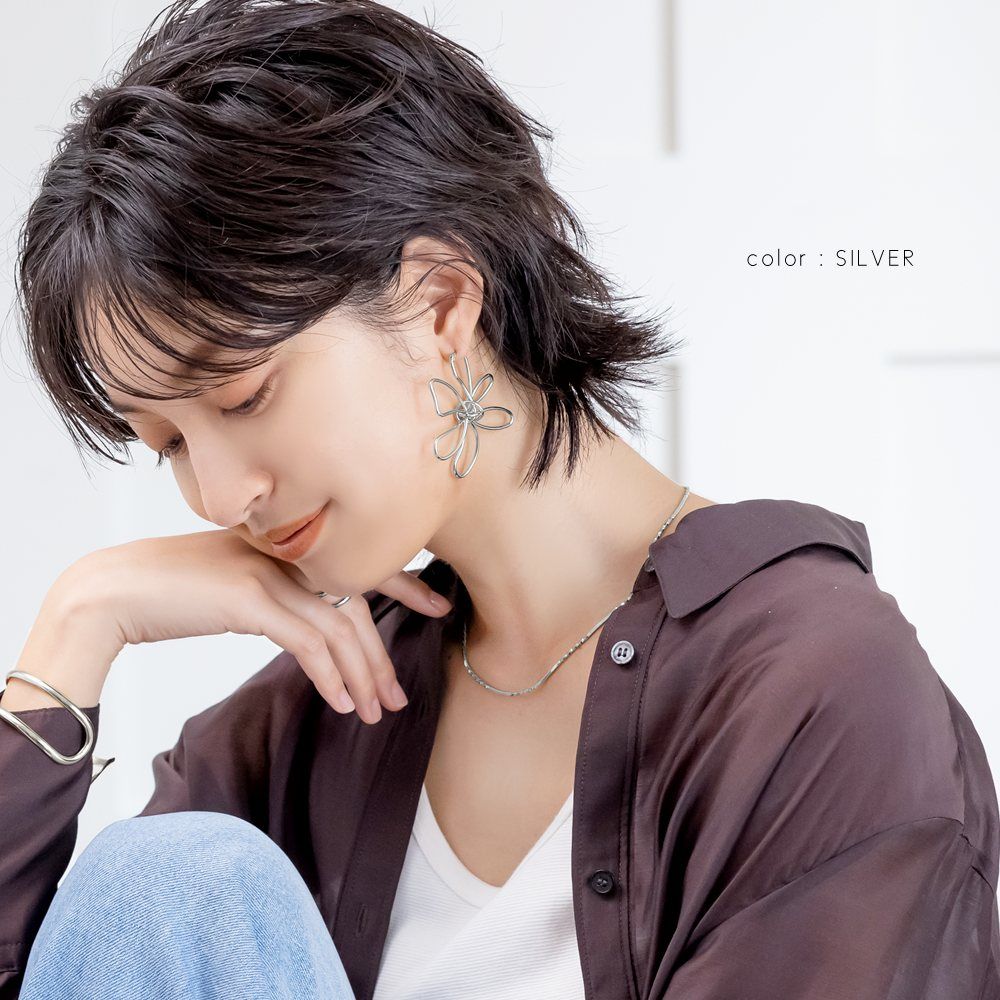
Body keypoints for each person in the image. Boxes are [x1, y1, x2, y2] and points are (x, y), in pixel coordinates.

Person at [2, 1, 998, 998]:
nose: (218, 497)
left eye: (244, 396)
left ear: (439, 302)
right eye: (168, 444)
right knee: (158, 882)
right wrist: (77, 628)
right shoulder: (306, 724)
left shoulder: (812, 688)